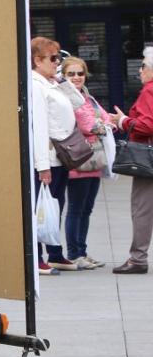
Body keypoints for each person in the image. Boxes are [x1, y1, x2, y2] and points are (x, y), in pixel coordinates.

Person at [30, 37, 78, 274]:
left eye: (58, 57)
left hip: (61, 156)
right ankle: (38, 257)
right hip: (47, 157)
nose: (57, 62)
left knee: (56, 205)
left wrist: (62, 81)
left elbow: (78, 103)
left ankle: (55, 252)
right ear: (37, 60)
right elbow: (38, 127)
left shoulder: (51, 83)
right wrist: (42, 166)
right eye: (52, 58)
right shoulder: (36, 85)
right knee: (42, 208)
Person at [61, 56, 114, 270]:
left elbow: (105, 119)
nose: (76, 77)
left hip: (94, 161)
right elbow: (87, 124)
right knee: (76, 208)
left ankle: (82, 250)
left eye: (80, 73)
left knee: (86, 209)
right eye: (71, 73)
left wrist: (101, 124)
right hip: (78, 160)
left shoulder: (87, 96)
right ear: (64, 76)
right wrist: (100, 125)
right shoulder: (66, 96)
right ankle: (74, 254)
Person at [110, 56, 153, 274]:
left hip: (148, 161)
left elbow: (146, 125)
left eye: (143, 65)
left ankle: (138, 259)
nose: (140, 70)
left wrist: (122, 121)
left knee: (142, 209)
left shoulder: (149, 90)